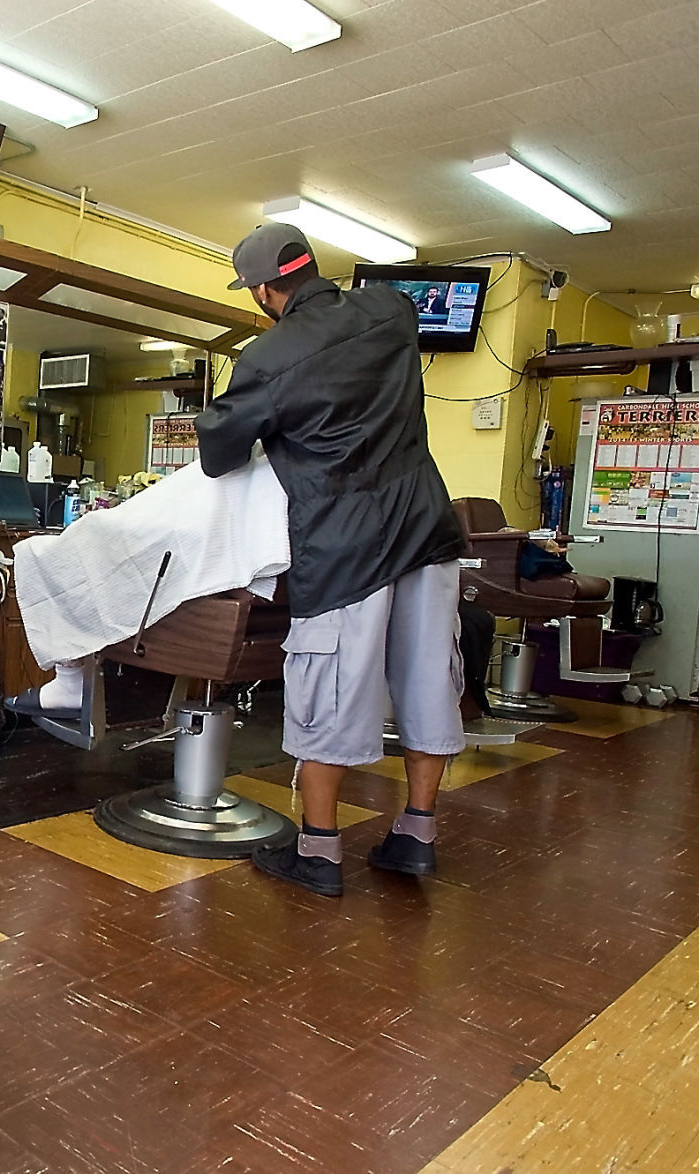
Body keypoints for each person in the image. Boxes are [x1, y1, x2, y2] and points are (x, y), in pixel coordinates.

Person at [196, 223, 468, 898]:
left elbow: (216, 452)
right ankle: (415, 836)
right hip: (426, 528)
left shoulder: (266, 357)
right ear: (312, 266)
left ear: (263, 290)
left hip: (346, 545)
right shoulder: (393, 311)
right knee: (428, 678)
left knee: (332, 693)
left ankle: (318, 853)